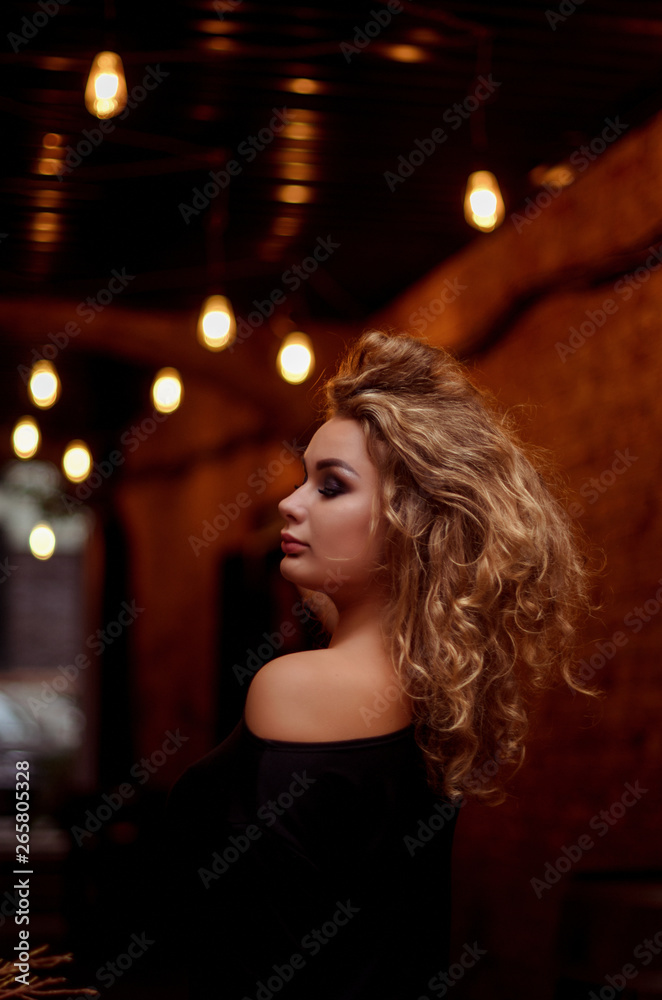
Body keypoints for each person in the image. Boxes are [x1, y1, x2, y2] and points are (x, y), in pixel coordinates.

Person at [164, 329, 593, 999]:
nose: (290, 501)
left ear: (407, 521)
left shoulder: (294, 689)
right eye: (304, 477)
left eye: (331, 486)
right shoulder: (436, 693)